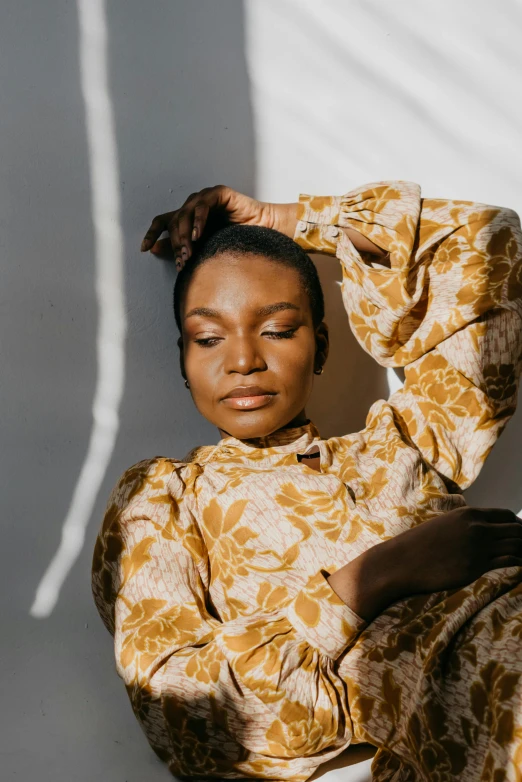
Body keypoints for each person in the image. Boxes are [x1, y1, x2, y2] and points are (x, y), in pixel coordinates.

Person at [92, 180, 522, 781]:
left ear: (319, 345)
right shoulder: (166, 500)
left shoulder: (402, 443)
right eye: (208, 338)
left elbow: (491, 242)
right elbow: (183, 717)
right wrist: (375, 577)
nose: (242, 359)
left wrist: (290, 218)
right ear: (183, 363)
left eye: (276, 329)